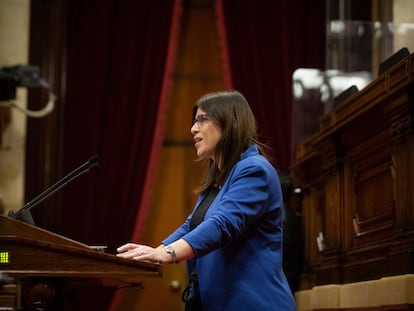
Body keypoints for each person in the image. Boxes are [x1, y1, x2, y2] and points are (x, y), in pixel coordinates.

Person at [117, 90, 297, 311]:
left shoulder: (254, 170)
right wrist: (156, 251)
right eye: (194, 121)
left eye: (202, 120)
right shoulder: (219, 176)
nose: (193, 129)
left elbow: (221, 225)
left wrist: (166, 254)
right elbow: (191, 225)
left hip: (251, 303)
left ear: (232, 123)